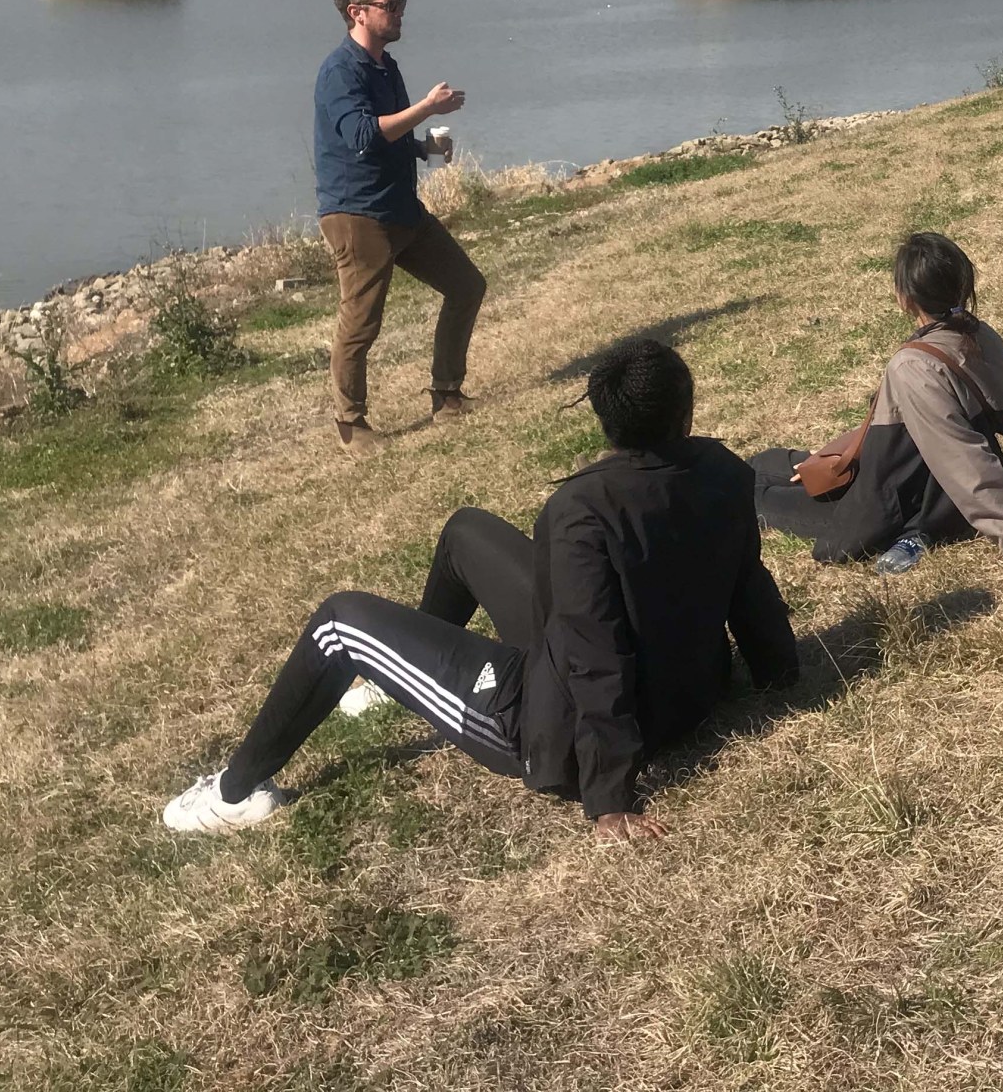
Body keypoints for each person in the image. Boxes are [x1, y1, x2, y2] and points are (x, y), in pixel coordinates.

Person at [161, 337, 799, 844]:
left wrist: (609, 798)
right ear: (686, 412)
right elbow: (749, 583)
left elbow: (596, 657)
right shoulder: (722, 468)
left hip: (547, 726)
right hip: (686, 693)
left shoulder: (581, 510)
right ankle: (394, 682)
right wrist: (779, 671)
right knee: (466, 530)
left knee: (338, 623)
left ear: (607, 425)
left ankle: (234, 794)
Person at [753, 232, 1003, 574]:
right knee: (771, 462)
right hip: (918, 477)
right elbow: (995, 422)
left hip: (902, 498)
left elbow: (960, 454)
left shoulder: (914, 365)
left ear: (905, 298)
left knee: (749, 490)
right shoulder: (980, 334)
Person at [314, 0, 485, 451]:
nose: (399, 13)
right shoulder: (340, 71)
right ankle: (351, 424)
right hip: (357, 214)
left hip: (400, 207)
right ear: (358, 13)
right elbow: (363, 135)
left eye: (400, 4)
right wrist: (428, 108)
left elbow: (388, 133)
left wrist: (422, 147)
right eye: (390, 6)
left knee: (466, 286)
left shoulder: (386, 66)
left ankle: (447, 396)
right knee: (362, 321)